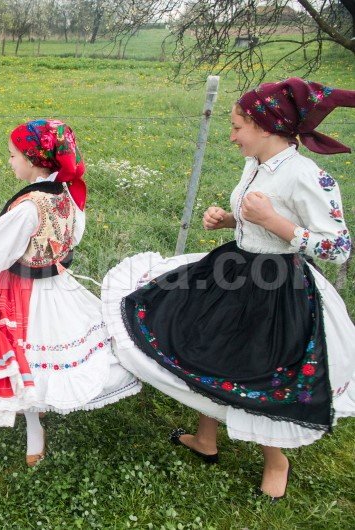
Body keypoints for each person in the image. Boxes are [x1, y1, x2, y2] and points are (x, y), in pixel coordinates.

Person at [101, 78, 355, 500]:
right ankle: (206, 438)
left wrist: (275, 223)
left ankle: (277, 460)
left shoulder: (307, 175)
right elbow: (254, 215)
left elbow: (339, 246)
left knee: (258, 369)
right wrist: (230, 220)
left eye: (238, 126)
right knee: (208, 348)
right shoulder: (255, 162)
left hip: (275, 288)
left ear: (266, 126)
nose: (232, 135)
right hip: (235, 267)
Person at [0, 119, 141, 466]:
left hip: (20, 292)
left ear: (33, 159)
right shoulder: (66, 193)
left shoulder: (28, 206)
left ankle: (34, 428)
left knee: (22, 353)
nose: (9, 162)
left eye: (12, 155)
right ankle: (33, 427)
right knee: (34, 357)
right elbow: (72, 237)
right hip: (56, 284)